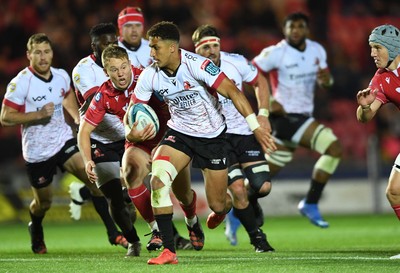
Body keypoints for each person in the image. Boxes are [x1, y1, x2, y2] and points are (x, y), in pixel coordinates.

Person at [130, 21, 275, 265]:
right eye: (150, 48)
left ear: (173, 48)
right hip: (180, 133)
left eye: (155, 48)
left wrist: (256, 126)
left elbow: (234, 92)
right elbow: (134, 109)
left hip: (213, 138)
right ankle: (169, 251)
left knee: (218, 204)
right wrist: (131, 132)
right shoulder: (149, 75)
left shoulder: (198, 65)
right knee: (158, 181)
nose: (151, 53)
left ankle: (223, 210)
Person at [0, 33, 126, 254]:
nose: (43, 57)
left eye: (46, 52)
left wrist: (78, 118)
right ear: (29, 55)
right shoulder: (20, 83)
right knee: (43, 204)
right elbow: (5, 116)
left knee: (94, 180)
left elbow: (66, 95)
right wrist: (37, 115)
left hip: (63, 141)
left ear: (52, 54)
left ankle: (113, 233)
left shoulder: (60, 76)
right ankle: (36, 227)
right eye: (37, 52)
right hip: (38, 152)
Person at [251, 12, 342, 229]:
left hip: (303, 116)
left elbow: (327, 81)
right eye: (291, 26)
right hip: (285, 117)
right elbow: (251, 71)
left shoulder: (317, 50)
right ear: (285, 30)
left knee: (263, 177)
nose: (295, 31)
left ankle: (240, 204)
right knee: (334, 148)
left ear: (306, 30)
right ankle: (310, 202)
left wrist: (326, 80)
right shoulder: (276, 53)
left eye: (300, 26)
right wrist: (269, 100)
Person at [191, 24, 274, 252]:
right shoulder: (189, 69)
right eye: (205, 46)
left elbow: (260, 81)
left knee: (263, 187)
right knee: (237, 188)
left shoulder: (236, 62)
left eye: (215, 45)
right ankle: (258, 239)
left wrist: (263, 115)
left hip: (245, 133)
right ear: (197, 50)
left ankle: (247, 203)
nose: (211, 50)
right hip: (217, 138)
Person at [118, 6, 192, 250]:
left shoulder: (167, 53)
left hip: (172, 131)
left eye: (137, 25)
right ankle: (158, 231)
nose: (152, 52)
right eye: (127, 25)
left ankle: (191, 221)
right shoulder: (113, 55)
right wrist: (130, 131)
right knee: (131, 173)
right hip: (138, 129)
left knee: (183, 193)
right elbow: (131, 105)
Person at [70, 22, 131, 251]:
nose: (110, 47)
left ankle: (86, 191)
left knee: (133, 193)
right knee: (117, 197)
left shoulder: (124, 62)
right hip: (101, 138)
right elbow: (100, 104)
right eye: (105, 44)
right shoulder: (82, 70)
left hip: (127, 136)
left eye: (114, 42)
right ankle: (132, 240)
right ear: (93, 45)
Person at [355, 24, 400, 260]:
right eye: (371, 48)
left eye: (377, 48)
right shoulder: (380, 80)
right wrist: (364, 106)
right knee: (394, 192)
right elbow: (365, 117)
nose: (372, 53)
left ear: (392, 48)